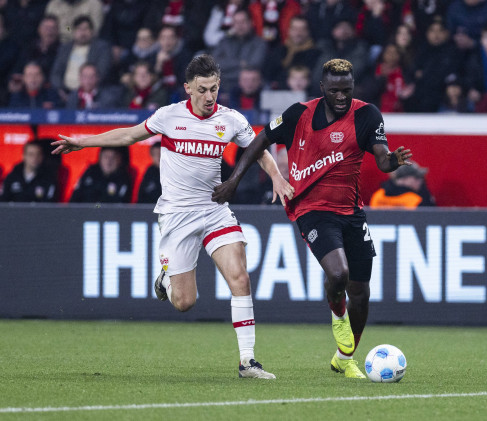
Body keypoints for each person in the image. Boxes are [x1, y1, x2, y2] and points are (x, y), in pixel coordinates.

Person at [52, 54, 293, 379]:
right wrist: (83, 142)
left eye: (215, 89)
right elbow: (129, 135)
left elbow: (260, 150)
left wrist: (277, 176)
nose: (210, 97)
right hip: (177, 214)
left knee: (240, 277)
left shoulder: (231, 119)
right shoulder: (169, 116)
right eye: (203, 89)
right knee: (184, 302)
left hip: (214, 209)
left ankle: (247, 362)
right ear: (188, 89)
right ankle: (166, 278)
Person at [212, 58, 412, 379]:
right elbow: (259, 141)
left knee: (360, 292)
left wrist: (392, 162)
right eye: (335, 90)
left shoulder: (366, 115)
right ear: (322, 88)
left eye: (347, 90)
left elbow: (383, 159)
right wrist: (234, 179)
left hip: (351, 212)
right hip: (311, 209)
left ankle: (344, 358)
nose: (342, 97)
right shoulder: (297, 115)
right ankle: (337, 316)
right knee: (338, 274)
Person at [49, 15, 112, 102]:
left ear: (92, 31)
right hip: (65, 92)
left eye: (86, 29)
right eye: (79, 29)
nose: (83, 33)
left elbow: (102, 72)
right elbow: (56, 73)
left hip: (91, 94)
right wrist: (60, 90)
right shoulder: (65, 48)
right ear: (73, 32)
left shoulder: (101, 48)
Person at [369, 162, 435, 208]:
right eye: (417, 177)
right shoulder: (416, 199)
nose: (420, 181)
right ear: (404, 179)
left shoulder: (378, 195)